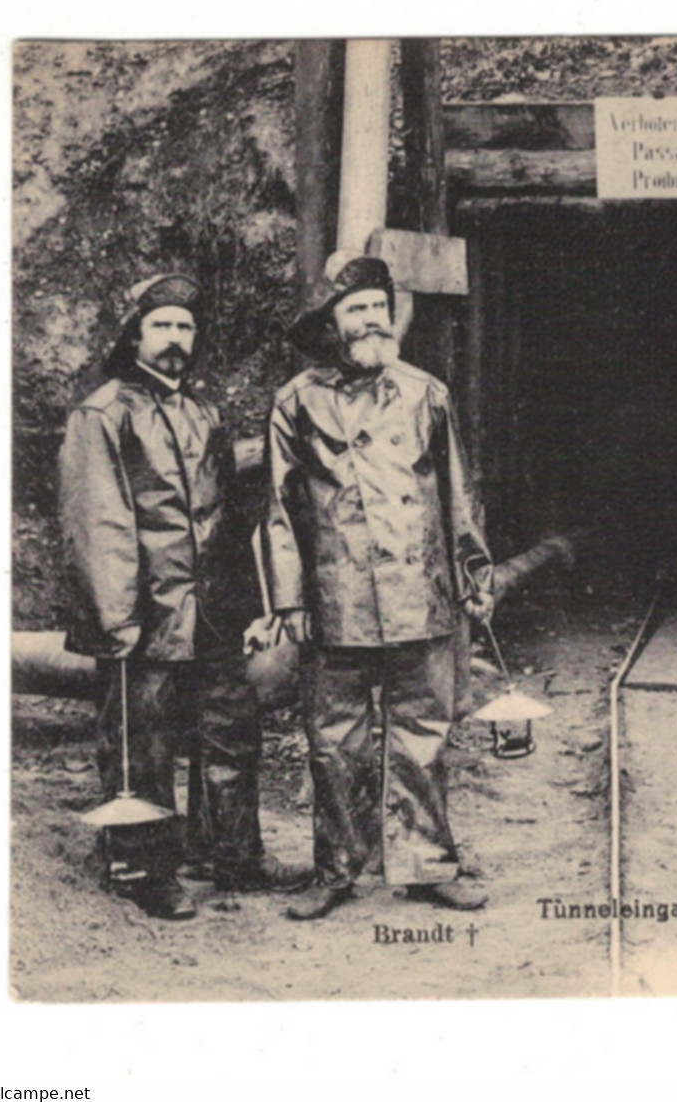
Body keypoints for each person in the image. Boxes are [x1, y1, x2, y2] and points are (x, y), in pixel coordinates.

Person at [58, 273, 310, 921]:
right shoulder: (104, 412)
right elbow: (99, 522)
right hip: (144, 615)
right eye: (162, 325)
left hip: (213, 611)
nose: (176, 338)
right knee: (143, 745)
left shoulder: (202, 411)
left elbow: (224, 505)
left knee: (231, 727)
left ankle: (232, 854)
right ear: (134, 334)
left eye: (185, 327)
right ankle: (146, 867)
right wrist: (118, 620)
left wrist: (250, 603)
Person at [265, 253, 496, 920]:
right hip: (336, 597)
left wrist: (474, 574)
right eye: (356, 310)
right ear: (330, 323)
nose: (371, 320)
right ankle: (336, 867)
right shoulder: (296, 399)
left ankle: (428, 864)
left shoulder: (426, 392)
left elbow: (458, 492)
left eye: (378, 307)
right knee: (334, 737)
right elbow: (279, 508)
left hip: (420, 591)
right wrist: (289, 599)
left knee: (424, 730)